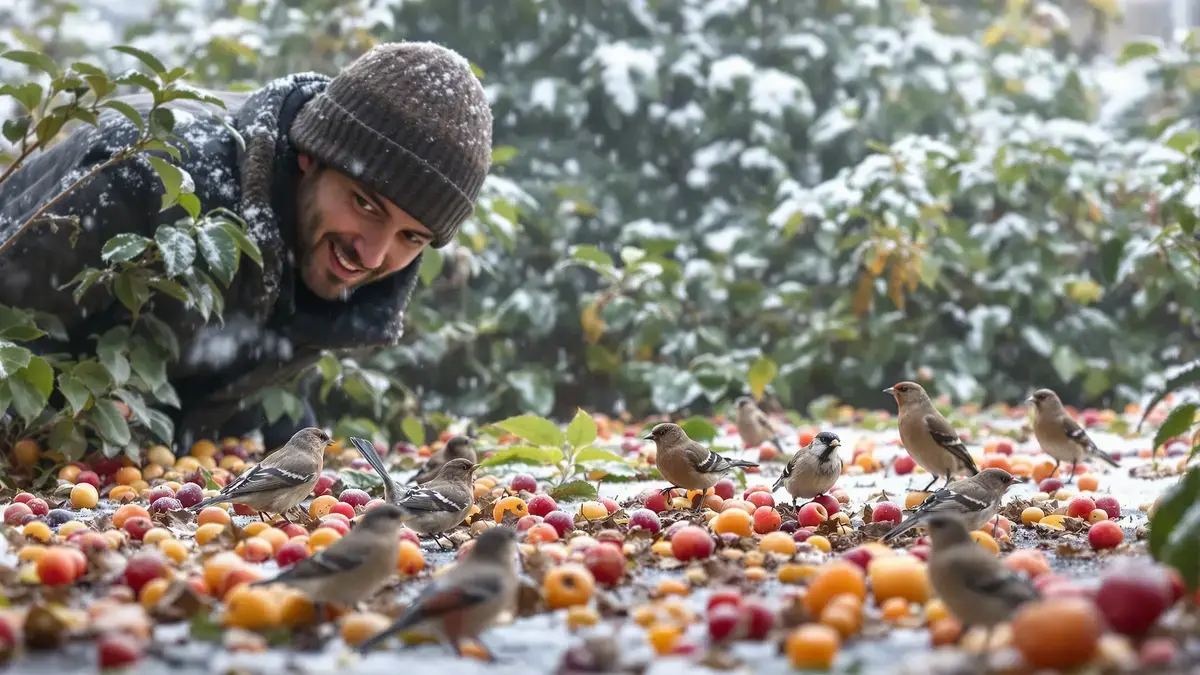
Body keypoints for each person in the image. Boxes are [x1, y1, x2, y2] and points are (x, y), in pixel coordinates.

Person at [0, 42, 493, 451]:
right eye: (366, 204)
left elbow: (250, 361)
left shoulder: (322, 244)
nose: (373, 255)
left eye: (412, 236)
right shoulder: (149, 178)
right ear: (308, 156)